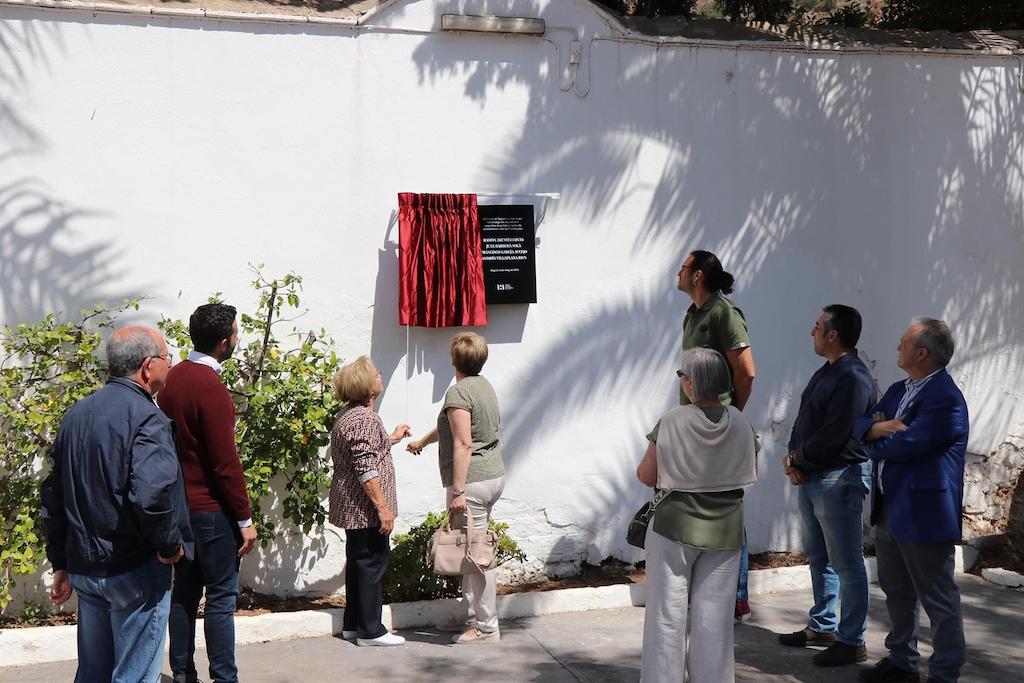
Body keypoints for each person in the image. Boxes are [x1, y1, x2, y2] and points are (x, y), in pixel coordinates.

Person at [40, 325, 192, 683]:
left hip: (87, 568)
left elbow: (53, 495)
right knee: (135, 676)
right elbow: (152, 496)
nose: (170, 366)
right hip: (134, 569)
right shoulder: (147, 418)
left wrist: (61, 561)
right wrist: (170, 545)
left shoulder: (75, 416)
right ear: (147, 366)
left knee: (94, 673)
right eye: (167, 359)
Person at [854, 318, 968, 683]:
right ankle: (902, 661)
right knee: (897, 591)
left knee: (938, 599)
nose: (897, 348)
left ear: (922, 353)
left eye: (903, 343)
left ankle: (944, 674)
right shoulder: (899, 389)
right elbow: (859, 425)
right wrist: (876, 428)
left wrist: (877, 433)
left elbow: (906, 445)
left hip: (924, 513)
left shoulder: (945, 399)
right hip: (890, 509)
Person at [636, 348, 758, 683]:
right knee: (714, 620)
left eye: (682, 375)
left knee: (666, 616)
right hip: (726, 529)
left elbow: (646, 475)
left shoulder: (672, 420)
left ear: (692, 382)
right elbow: (751, 468)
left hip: (674, 527)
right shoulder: (741, 421)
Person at [157, 303, 258, 683]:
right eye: (235, 332)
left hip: (179, 510)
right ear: (223, 343)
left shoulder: (173, 379)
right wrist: (245, 519)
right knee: (219, 599)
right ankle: (224, 678)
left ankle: (183, 675)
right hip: (213, 512)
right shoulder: (211, 389)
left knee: (183, 596)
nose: (237, 337)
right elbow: (225, 464)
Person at [778, 305, 876, 667]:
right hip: (815, 476)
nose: (812, 331)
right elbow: (807, 421)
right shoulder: (829, 371)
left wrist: (797, 460)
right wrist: (794, 458)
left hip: (839, 478)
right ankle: (823, 625)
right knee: (820, 557)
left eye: (817, 326)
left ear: (833, 334)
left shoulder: (853, 377)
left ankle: (852, 640)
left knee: (846, 561)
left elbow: (837, 433)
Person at [407, 331, 506, 644]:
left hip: (472, 482)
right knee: (470, 549)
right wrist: (422, 441)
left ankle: (487, 626)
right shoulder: (483, 387)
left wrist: (458, 491)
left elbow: (463, 443)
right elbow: (453, 428)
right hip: (492, 475)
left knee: (477, 556)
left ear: (453, 360)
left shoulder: (459, 393)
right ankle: (471, 616)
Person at [674, 249, 756, 621]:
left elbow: (746, 371)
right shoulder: (693, 314)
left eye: (683, 268)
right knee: (700, 507)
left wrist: (731, 413)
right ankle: (708, 594)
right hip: (693, 424)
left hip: (717, 426)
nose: (677, 272)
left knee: (726, 509)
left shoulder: (724, 313)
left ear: (697, 276)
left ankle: (736, 599)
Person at [329, 356, 411, 647]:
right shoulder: (364, 418)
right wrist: (383, 508)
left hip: (353, 507)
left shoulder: (351, 415)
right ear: (368, 385)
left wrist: (392, 438)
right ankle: (370, 631)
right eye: (377, 373)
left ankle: (353, 626)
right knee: (372, 564)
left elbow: (367, 450)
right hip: (364, 509)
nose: (380, 375)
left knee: (358, 564)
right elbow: (366, 467)